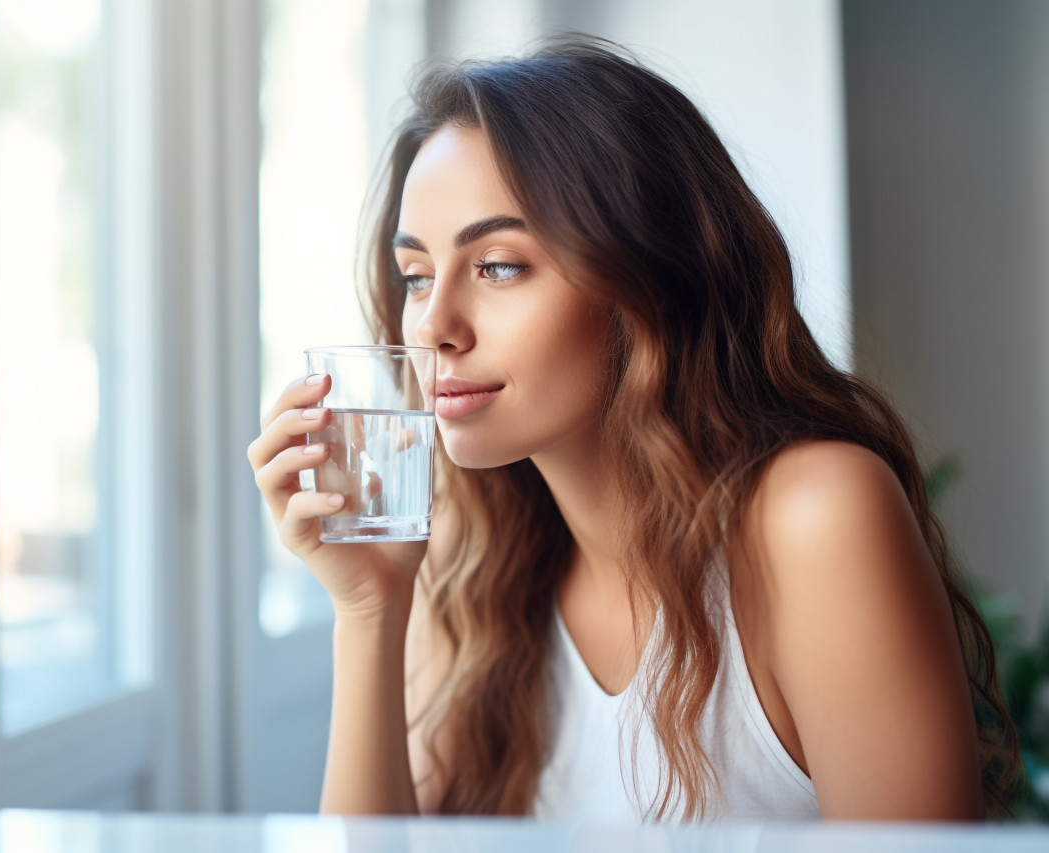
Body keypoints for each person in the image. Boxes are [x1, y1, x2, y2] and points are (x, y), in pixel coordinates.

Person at [245, 34, 1021, 821]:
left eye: (499, 266)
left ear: (644, 278)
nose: (434, 325)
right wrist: (370, 612)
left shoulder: (814, 516)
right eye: (416, 276)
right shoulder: (472, 554)